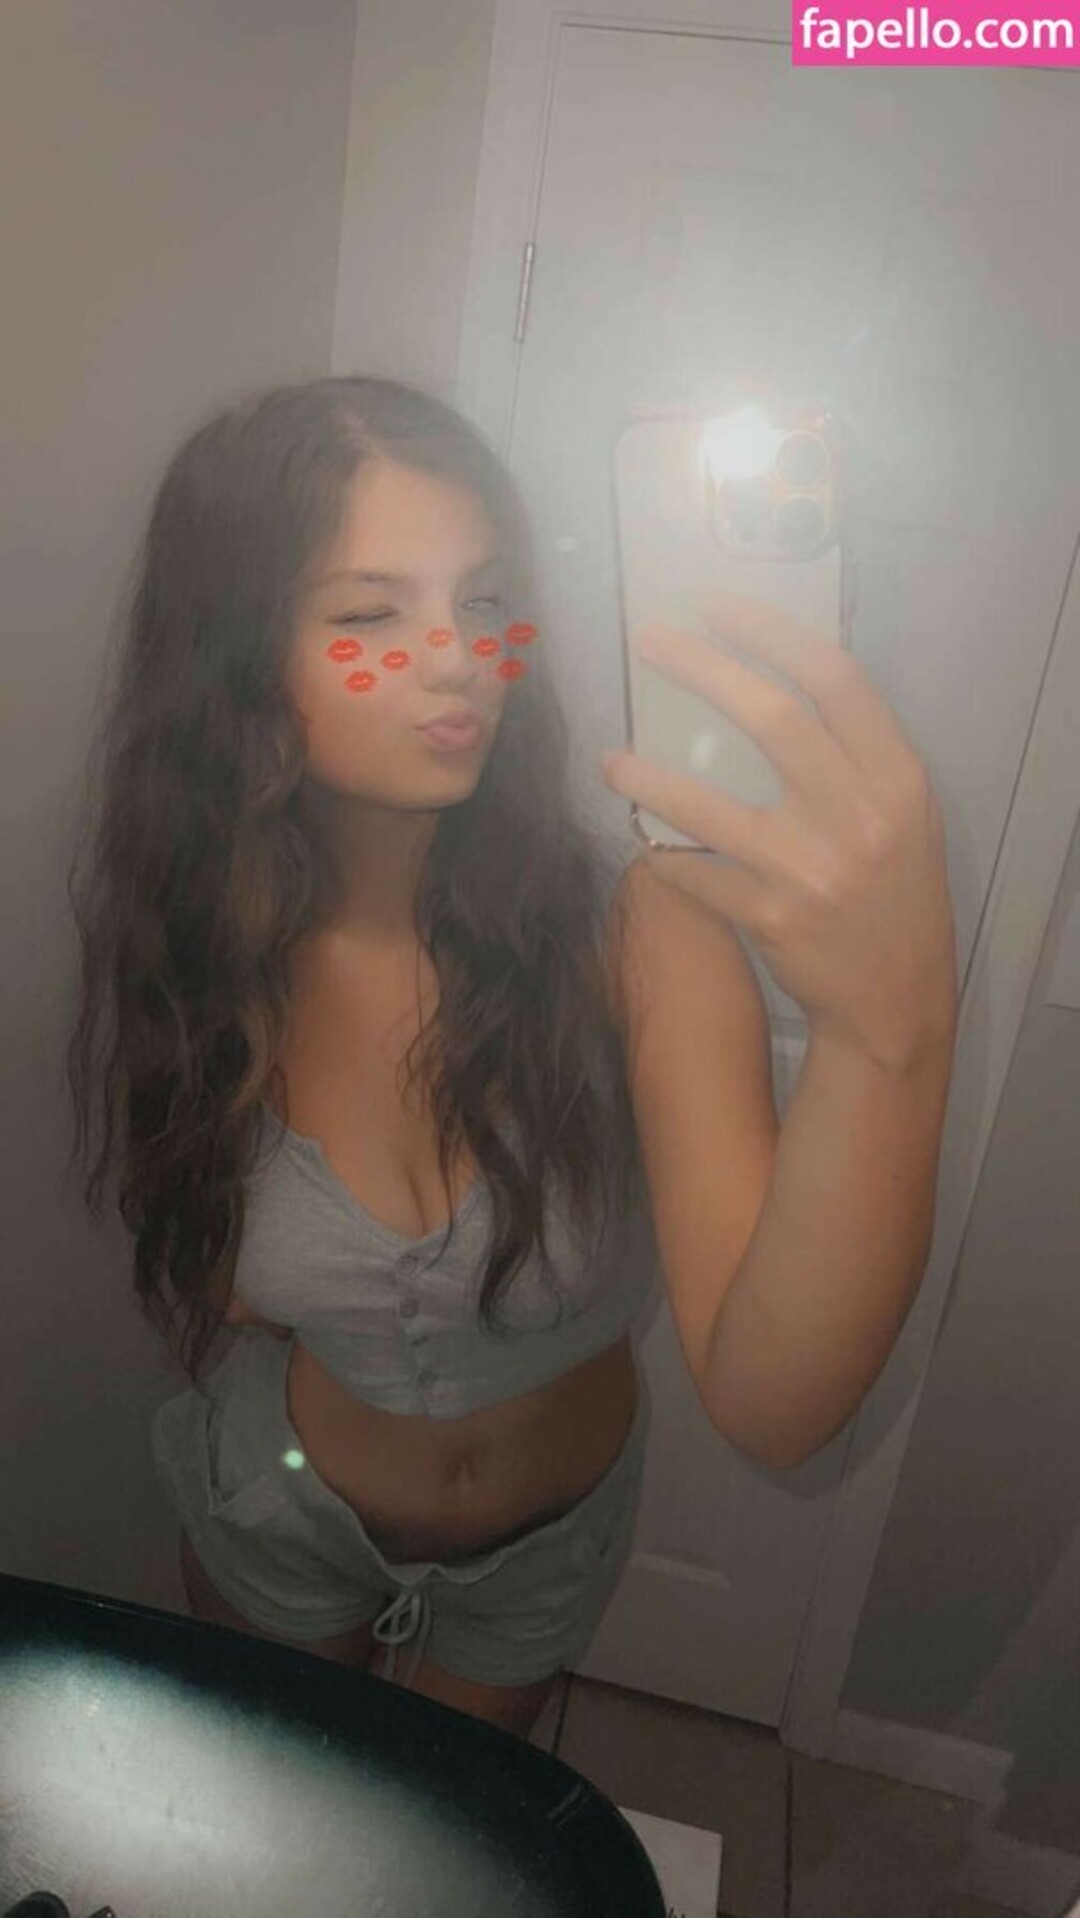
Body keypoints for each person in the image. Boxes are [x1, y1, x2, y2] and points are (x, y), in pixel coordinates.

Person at [66, 375, 958, 1743]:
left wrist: (886, 1036)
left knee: (438, 1828)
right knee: (280, 1805)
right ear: (238, 656)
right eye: (372, 615)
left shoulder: (640, 926)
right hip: (279, 1508)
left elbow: (775, 1405)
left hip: (539, 1553)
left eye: (484, 601)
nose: (460, 658)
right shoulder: (199, 941)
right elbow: (212, 1267)